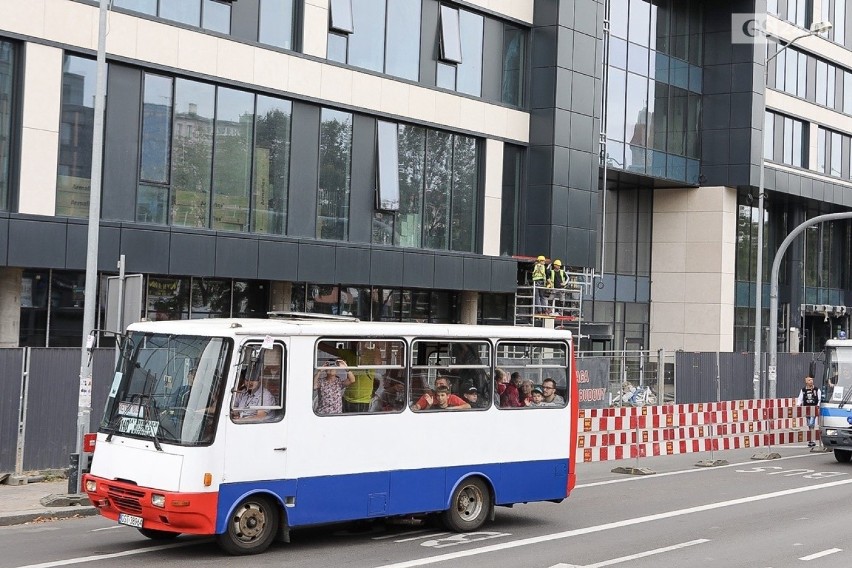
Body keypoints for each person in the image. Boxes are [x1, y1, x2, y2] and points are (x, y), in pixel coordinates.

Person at [796, 375, 821, 447]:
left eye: (812, 380)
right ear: (806, 382)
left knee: (811, 423)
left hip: (813, 408)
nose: (811, 381)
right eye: (809, 380)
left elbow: (819, 399)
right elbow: (800, 398)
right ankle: (811, 439)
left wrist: (818, 406)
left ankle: (812, 439)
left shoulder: (816, 390)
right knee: (809, 424)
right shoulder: (803, 390)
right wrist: (798, 405)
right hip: (806, 409)